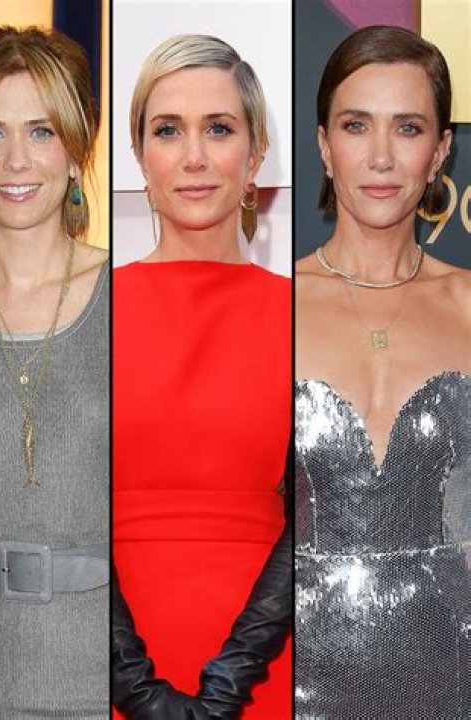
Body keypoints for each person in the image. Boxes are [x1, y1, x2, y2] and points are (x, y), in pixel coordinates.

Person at [112, 35, 292, 719]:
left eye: (218, 128)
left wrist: (228, 686)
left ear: (256, 155)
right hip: (107, 664)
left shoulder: (303, 312)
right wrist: (135, 689)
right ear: (139, 157)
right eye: (168, 130)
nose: (193, 157)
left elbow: (326, 515)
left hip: (264, 662)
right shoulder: (83, 310)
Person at [295, 25, 471, 717]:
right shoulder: (267, 305)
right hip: (292, 677)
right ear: (323, 145)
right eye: (355, 125)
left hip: (451, 671)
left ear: (441, 151)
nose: (380, 156)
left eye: (408, 127)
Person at [0, 26, 109, 718]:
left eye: (41, 131)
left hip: (110, 680)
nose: (16, 160)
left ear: (77, 149)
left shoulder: (136, 298)